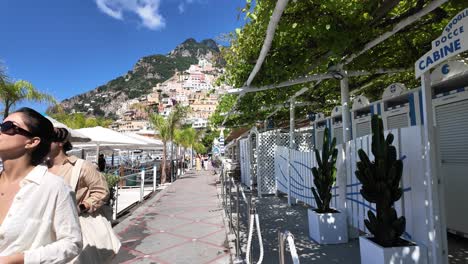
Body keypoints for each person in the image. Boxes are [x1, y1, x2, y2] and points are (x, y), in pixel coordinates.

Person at [0, 107, 82, 263]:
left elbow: (72, 243)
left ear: (32, 142)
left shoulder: (54, 187)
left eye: (8, 127)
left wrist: (18, 259)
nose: (1, 131)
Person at [47, 127, 120, 264]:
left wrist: (82, 207)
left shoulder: (81, 166)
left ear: (60, 142)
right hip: (48, 232)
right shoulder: (40, 169)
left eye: (47, 140)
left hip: (77, 228)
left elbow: (101, 191)